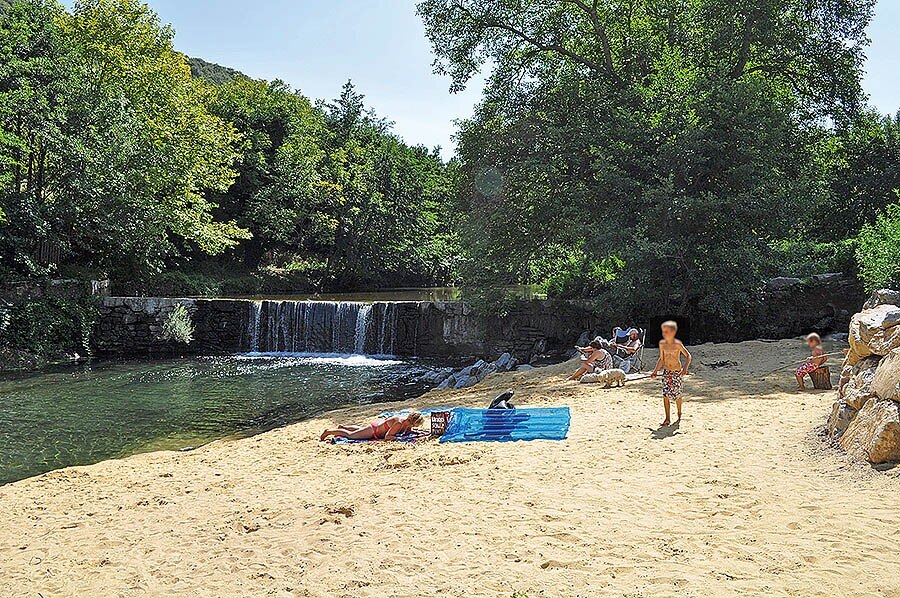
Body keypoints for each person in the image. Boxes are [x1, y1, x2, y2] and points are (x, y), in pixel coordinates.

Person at [651, 321, 692, 426]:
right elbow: (661, 359)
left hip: (676, 373)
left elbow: (688, 356)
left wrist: (685, 368)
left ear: (673, 332)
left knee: (677, 396)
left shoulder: (678, 344)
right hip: (666, 372)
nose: (664, 334)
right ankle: (667, 418)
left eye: (667, 331)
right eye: (663, 331)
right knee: (665, 395)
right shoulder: (662, 344)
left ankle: (679, 412)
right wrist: (655, 371)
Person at [320, 412, 424, 442]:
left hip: (377, 427)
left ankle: (343, 427)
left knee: (360, 429)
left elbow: (408, 432)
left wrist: (416, 433)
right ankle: (328, 432)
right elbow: (388, 437)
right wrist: (402, 438)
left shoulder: (407, 423)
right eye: (417, 425)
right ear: (413, 422)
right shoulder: (399, 423)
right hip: (374, 431)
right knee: (351, 436)